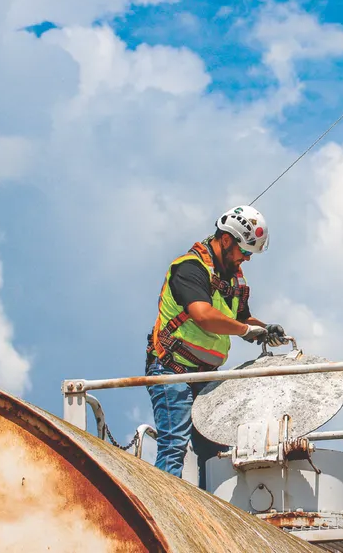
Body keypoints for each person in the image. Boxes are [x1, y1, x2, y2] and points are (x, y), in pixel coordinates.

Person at [144, 205, 287, 487]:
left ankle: (210, 518)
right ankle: (162, 516)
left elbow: (240, 318)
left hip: (206, 376)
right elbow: (204, 315)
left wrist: (263, 329)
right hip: (173, 370)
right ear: (225, 240)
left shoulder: (233, 279)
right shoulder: (189, 269)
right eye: (244, 252)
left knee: (213, 452)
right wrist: (247, 331)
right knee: (173, 445)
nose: (245, 259)